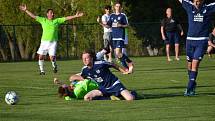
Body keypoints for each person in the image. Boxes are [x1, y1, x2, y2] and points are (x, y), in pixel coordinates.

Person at [19, 4, 83, 75]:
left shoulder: (56, 21)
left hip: (53, 42)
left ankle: (54, 66)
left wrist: (75, 16)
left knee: (52, 57)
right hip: (44, 42)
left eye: (53, 13)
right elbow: (33, 16)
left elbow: (66, 18)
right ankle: (42, 71)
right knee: (40, 57)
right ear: (47, 14)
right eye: (51, 13)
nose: (52, 14)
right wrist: (25, 10)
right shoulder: (43, 20)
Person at [177, 0, 215, 96]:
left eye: (199, 1)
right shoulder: (189, 6)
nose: (197, 3)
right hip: (189, 41)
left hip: (202, 41)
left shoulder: (208, 8)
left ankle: (189, 88)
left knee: (195, 63)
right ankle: (193, 83)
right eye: (195, 1)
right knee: (189, 64)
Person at [106, 2, 130, 69]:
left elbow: (127, 25)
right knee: (118, 55)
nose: (118, 8)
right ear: (114, 7)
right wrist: (100, 23)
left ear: (121, 8)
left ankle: (129, 62)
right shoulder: (112, 15)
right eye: (117, 6)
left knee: (118, 53)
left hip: (120, 36)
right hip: (114, 37)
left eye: (119, 6)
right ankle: (127, 68)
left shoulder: (123, 15)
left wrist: (121, 25)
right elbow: (108, 26)